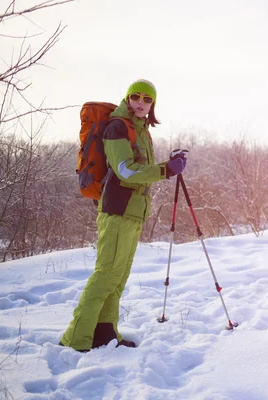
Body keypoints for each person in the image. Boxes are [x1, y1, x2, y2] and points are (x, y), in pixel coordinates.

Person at [60, 79, 187, 351]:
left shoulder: (141, 130)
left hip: (133, 213)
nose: (141, 103)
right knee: (106, 274)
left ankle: (105, 334)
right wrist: (166, 170)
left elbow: (140, 169)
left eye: (147, 99)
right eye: (136, 97)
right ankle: (76, 339)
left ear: (153, 105)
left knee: (118, 277)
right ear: (127, 99)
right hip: (117, 210)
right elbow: (125, 171)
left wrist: (168, 165)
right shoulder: (117, 126)